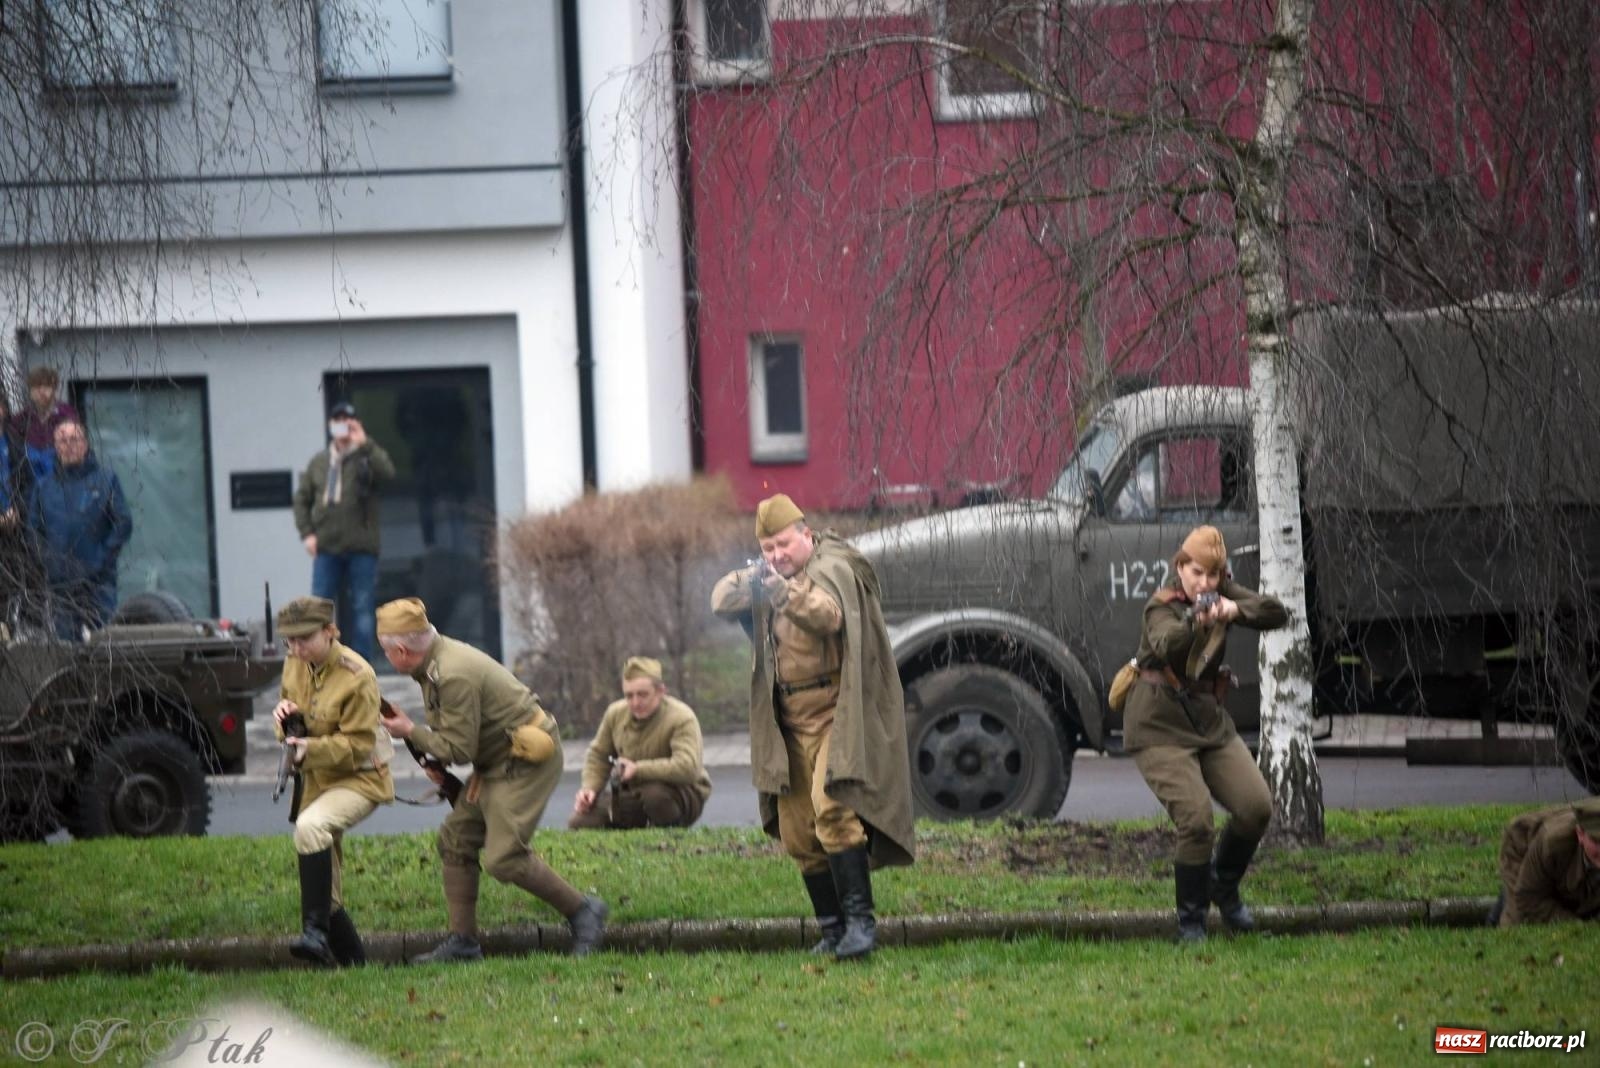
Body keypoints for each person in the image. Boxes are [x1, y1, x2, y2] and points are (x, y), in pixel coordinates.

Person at [710, 493, 914, 960]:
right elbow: (720, 599)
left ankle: (862, 925)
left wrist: (780, 589)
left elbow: (828, 616)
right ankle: (833, 928)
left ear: (805, 534)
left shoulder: (833, 567)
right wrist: (757, 578)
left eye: (784, 544)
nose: (778, 555)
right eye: (768, 549)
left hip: (835, 713)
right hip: (788, 719)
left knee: (834, 809)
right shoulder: (769, 575)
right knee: (799, 831)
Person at [375, 597, 608, 961]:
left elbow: (459, 749)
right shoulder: (435, 663)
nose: (386, 659)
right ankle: (463, 943)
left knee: (504, 859)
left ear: (402, 650)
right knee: (456, 839)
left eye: (386, 652)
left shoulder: (450, 673)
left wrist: (409, 730)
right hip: (496, 759)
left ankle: (584, 911)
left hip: (523, 761)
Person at [1124, 524, 1288, 942]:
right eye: (1196, 572)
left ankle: (1223, 886)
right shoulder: (1160, 607)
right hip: (1157, 725)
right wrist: (1198, 618)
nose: (1204, 582)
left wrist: (1235, 610)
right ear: (1180, 567)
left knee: (1256, 807)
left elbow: (1276, 612)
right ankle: (1192, 923)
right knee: (1196, 820)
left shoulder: (1224, 594)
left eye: (1213, 575)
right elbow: (1167, 645)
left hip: (1207, 722)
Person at [271, 596, 395, 967]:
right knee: (329, 886)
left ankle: (315, 934)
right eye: (288, 641)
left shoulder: (357, 675)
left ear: (330, 631)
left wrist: (311, 748)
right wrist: (285, 722)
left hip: (360, 778)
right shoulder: (295, 663)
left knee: (311, 828)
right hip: (318, 780)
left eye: (304, 638)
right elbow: (291, 721)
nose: (295, 648)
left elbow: (358, 746)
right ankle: (353, 963)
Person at [292, 400, 394, 662]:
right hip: (326, 548)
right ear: (330, 426)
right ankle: (321, 662)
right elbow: (301, 499)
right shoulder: (320, 461)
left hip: (361, 547)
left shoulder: (367, 457)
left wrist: (365, 443)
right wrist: (307, 534)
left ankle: (361, 666)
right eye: (338, 422)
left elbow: (388, 474)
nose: (342, 428)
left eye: (347, 422)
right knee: (319, 609)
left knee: (362, 609)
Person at [568, 656, 712, 830]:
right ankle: (629, 839)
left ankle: (672, 837)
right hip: (633, 791)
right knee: (580, 822)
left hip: (681, 793)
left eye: (643, 695)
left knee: (655, 797)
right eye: (629, 695)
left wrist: (638, 769)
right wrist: (590, 789)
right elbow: (599, 755)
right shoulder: (615, 714)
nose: (635, 703)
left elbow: (688, 767)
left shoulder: (681, 717)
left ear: (660, 691)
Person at [28, 419, 132, 637]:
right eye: (63, 440)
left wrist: (101, 559)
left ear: (85, 444)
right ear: (55, 447)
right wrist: (49, 562)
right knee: (67, 651)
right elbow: (33, 530)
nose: (69, 445)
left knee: (104, 646)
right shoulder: (44, 487)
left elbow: (122, 523)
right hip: (60, 586)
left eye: (75, 439)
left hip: (99, 583)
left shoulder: (106, 480)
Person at [1493, 798, 1600, 926]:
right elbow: (1528, 898)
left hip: (1567, 863)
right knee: (1518, 921)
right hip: (1524, 847)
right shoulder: (1554, 844)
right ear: (1580, 834)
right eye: (1597, 842)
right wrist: (1577, 926)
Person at [12, 365, 79, 481]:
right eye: (37, 386)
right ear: (30, 390)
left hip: (62, 480)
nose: (42, 391)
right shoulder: (20, 419)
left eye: (47, 386)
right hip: (30, 485)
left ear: (54, 389)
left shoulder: (68, 415)